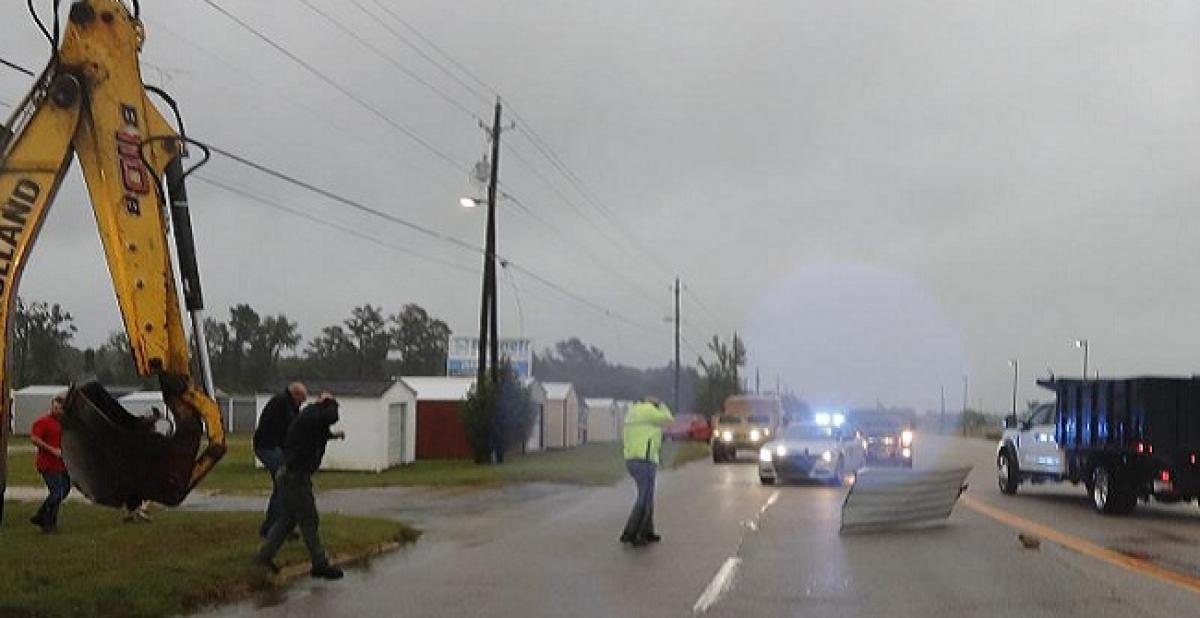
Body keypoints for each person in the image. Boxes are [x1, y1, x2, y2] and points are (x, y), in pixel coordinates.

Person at [255, 393, 346, 579]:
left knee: (287, 520)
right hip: (295, 477)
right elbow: (330, 416)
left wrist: (333, 436)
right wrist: (330, 401)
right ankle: (320, 563)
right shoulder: (311, 414)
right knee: (309, 519)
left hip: (290, 475)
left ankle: (263, 557)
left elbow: (320, 431)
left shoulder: (312, 419)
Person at [253, 382, 307, 538]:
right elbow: (286, 430)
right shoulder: (281, 403)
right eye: (301, 399)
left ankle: (277, 526)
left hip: (274, 447)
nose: (301, 403)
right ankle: (274, 527)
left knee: (283, 486)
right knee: (284, 483)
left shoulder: (290, 406)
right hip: (267, 446)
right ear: (295, 394)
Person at [620, 396, 674, 547]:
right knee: (644, 497)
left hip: (633, 458)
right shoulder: (648, 411)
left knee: (648, 496)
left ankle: (647, 531)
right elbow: (668, 419)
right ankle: (632, 533)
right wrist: (662, 404)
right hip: (644, 458)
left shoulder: (632, 411)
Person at [29, 395, 69, 533]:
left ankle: (45, 519)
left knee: (64, 490)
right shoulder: (43, 422)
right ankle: (46, 521)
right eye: (54, 407)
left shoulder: (63, 423)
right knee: (57, 492)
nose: (56, 410)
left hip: (62, 464)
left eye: (59, 408)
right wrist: (51, 450)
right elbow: (34, 439)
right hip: (48, 464)